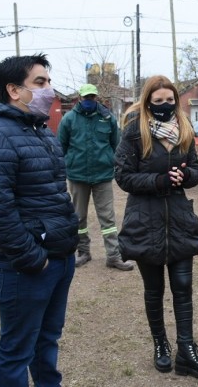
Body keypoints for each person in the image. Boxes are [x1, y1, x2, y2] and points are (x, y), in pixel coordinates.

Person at [0, 54, 79, 386]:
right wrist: (31, 258)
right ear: (14, 90)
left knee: (47, 341)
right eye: (40, 83)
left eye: (49, 82)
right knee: (17, 350)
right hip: (26, 267)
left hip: (58, 256)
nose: (49, 89)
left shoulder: (40, 131)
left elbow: (53, 194)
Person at [115, 75, 198, 380]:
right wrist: (158, 180)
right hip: (145, 221)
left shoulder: (184, 129)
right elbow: (122, 176)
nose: (164, 106)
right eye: (157, 102)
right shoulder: (134, 132)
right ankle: (160, 345)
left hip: (179, 219)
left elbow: (196, 169)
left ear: (176, 100)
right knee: (154, 290)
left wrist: (185, 177)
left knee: (183, 287)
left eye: (169, 100)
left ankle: (186, 349)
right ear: (148, 102)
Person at [57, 83, 133, 271]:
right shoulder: (69, 119)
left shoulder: (107, 117)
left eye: (92, 97)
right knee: (78, 217)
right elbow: (61, 147)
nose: (89, 101)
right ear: (79, 99)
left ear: (96, 98)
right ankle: (83, 252)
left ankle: (113, 256)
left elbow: (117, 144)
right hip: (77, 176)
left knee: (107, 218)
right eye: (86, 98)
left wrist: (117, 166)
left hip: (103, 175)